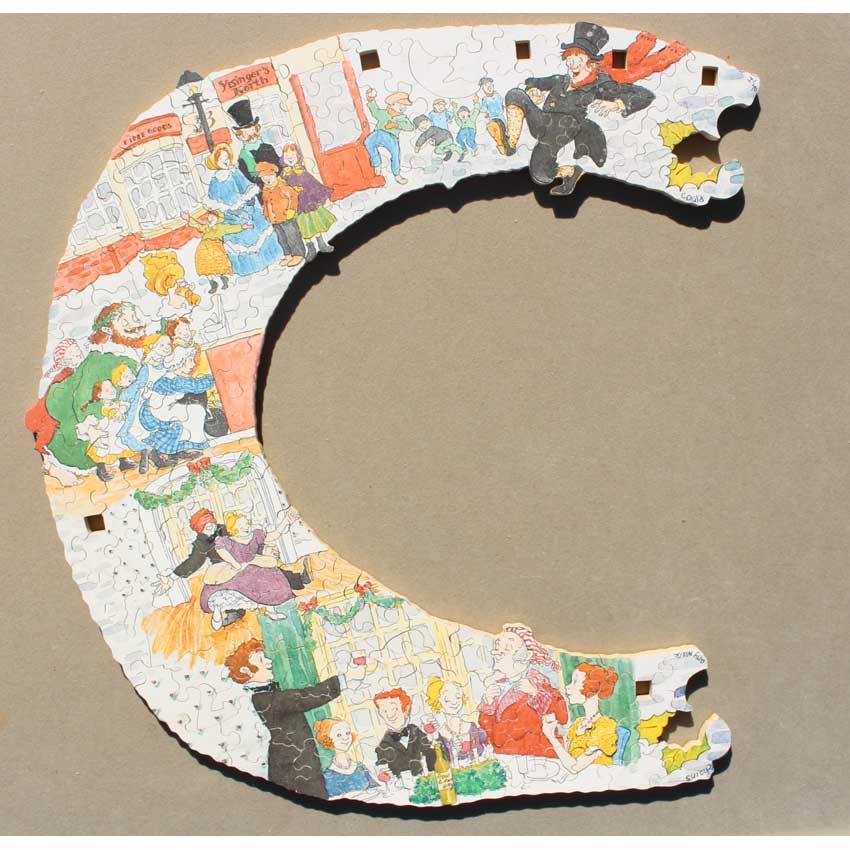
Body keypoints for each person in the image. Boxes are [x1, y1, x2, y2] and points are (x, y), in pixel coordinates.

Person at [496, 22, 656, 195]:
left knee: (540, 175)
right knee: (515, 94)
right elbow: (535, 82)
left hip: (563, 129)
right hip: (543, 121)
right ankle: (510, 143)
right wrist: (534, 90)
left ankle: (571, 172)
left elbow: (645, 95)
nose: (571, 61)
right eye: (569, 56)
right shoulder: (561, 80)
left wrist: (618, 104)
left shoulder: (599, 85)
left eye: (578, 56)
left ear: (590, 62)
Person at [225, 639, 342, 799]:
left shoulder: (268, 694)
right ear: (246, 670)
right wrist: (341, 681)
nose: (269, 662)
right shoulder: (264, 699)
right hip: (294, 769)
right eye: (261, 660)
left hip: (300, 765)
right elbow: (302, 697)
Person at [42, 303, 145, 474]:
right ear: (108, 329)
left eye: (134, 317)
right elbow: (83, 400)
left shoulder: (133, 352)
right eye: (125, 321)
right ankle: (108, 463)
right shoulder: (98, 359)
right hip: (102, 416)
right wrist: (94, 421)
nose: (135, 324)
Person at [477, 623, 568, 758]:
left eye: (507, 648)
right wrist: (487, 705)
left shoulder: (538, 682)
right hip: (505, 759)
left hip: (537, 758)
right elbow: (487, 732)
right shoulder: (496, 686)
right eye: (497, 647)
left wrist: (535, 693)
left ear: (526, 656)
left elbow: (562, 716)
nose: (497, 653)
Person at [199, 511, 303, 630]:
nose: (246, 527)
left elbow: (273, 535)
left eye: (247, 524)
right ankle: (217, 614)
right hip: (237, 569)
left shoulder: (255, 535)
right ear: (233, 529)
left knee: (267, 584)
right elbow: (220, 550)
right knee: (224, 592)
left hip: (255, 565)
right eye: (240, 526)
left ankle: (270, 610)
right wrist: (234, 563)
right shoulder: (228, 541)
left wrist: (285, 521)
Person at [204, 142, 284, 276]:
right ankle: (251, 268)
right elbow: (213, 200)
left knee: (257, 233)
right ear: (215, 161)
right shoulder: (214, 181)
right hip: (229, 215)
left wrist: (243, 199)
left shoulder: (234, 172)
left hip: (245, 210)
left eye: (227, 157)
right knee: (237, 239)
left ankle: (270, 260)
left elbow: (247, 187)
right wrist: (218, 211)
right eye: (222, 158)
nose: (225, 160)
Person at [137, 345, 215, 467]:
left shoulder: (169, 375)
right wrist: (213, 375)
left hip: (152, 411)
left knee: (182, 419)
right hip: (159, 413)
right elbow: (197, 385)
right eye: (190, 360)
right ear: (180, 362)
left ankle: (152, 450)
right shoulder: (177, 380)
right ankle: (186, 448)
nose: (193, 364)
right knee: (196, 412)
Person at [25, 338, 85, 486]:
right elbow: (54, 404)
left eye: (78, 351)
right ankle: (52, 468)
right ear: (64, 360)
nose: (78, 354)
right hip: (48, 417)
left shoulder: (80, 373)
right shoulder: (63, 377)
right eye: (73, 353)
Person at [542, 663, 620, 774]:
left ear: (591, 687)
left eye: (574, 682)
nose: (568, 687)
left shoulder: (605, 726)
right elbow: (568, 757)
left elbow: (575, 768)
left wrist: (551, 737)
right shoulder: (578, 723)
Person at [279, 143, 336, 262]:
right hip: (296, 206)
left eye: (293, 154)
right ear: (283, 158)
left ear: (298, 156)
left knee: (315, 223)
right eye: (287, 154)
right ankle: (310, 248)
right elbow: (282, 190)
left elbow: (312, 184)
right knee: (303, 227)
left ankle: (321, 243)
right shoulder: (283, 174)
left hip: (309, 203)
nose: (290, 157)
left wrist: (315, 195)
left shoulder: (302, 170)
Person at [181, 208, 252, 293]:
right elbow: (197, 225)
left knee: (218, 263)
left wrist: (242, 227)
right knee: (204, 263)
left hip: (215, 247)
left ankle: (223, 277)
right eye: (209, 217)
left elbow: (231, 228)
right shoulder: (206, 227)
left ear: (218, 219)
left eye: (213, 217)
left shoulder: (221, 227)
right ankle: (212, 283)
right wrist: (188, 218)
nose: (210, 219)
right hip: (204, 248)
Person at [374, 687, 436, 777]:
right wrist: (384, 774)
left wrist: (434, 736)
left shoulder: (417, 732)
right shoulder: (383, 746)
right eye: (384, 711)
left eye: (394, 709)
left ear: (406, 709)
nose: (390, 715)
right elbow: (384, 772)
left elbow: (435, 758)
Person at [425, 676, 487, 765]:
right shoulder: (439, 733)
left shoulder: (471, 727)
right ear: (437, 701)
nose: (454, 702)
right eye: (447, 699)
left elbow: (479, 755)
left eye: (458, 697)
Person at [256, 161, 306, 267]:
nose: (267, 179)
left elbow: (293, 196)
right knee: (281, 238)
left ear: (275, 175)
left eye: (269, 176)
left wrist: (291, 210)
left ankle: (298, 254)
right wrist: (266, 214)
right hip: (274, 219)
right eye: (264, 177)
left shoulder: (282, 186)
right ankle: (288, 255)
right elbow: (265, 203)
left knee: (292, 235)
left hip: (286, 217)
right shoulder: (265, 189)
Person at [314, 717, 378, 798]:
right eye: (339, 735)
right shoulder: (328, 777)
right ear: (327, 739)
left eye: (347, 733)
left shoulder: (361, 767)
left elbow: (376, 790)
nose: (345, 738)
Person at [363, 89, 414, 185]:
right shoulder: (383, 113)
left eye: (405, 106)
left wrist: (396, 125)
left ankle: (397, 174)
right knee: (368, 142)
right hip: (379, 133)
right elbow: (375, 111)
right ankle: (377, 163)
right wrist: (371, 100)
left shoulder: (402, 117)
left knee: (395, 154)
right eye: (401, 104)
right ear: (392, 104)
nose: (403, 107)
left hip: (392, 138)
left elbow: (410, 127)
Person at [226, 99, 280, 187]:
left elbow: (279, 165)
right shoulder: (243, 156)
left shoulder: (268, 147)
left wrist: (273, 176)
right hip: (262, 189)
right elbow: (249, 177)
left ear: (256, 128)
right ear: (240, 135)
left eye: (251, 129)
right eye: (245, 131)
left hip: (278, 184)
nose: (250, 133)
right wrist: (264, 179)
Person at [140, 250, 201, 326]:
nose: (184, 284)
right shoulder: (165, 315)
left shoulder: (189, 307)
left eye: (181, 280)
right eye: (176, 282)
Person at [479, 77, 506, 151]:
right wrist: (485, 112)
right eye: (486, 86)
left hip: (500, 116)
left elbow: (502, 102)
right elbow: (483, 108)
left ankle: (504, 143)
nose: (489, 87)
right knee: (493, 129)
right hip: (492, 117)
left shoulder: (497, 95)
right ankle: (500, 144)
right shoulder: (485, 99)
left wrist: (503, 107)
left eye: (490, 85)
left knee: (504, 129)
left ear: (493, 85)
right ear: (483, 88)